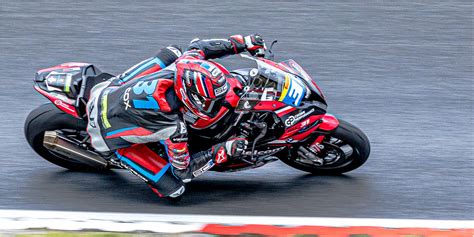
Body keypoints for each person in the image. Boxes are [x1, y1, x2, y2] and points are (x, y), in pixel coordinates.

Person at [86, 34, 266, 198]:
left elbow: (200, 46)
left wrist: (242, 43)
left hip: (110, 89)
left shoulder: (187, 63)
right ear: (188, 95)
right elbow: (185, 171)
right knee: (175, 188)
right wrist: (223, 150)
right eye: (209, 102)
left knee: (173, 52)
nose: (216, 105)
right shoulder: (173, 126)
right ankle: (115, 155)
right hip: (105, 134)